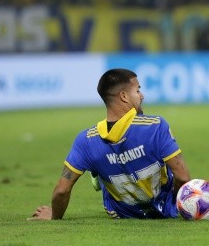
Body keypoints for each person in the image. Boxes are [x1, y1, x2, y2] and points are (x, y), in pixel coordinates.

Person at [29, 68, 192, 220]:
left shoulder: (85, 140)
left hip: (121, 214)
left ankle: (100, 171)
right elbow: (183, 178)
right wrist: (178, 205)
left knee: (101, 160)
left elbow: (61, 191)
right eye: (137, 91)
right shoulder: (155, 126)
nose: (142, 96)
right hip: (166, 209)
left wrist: (54, 216)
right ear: (124, 96)